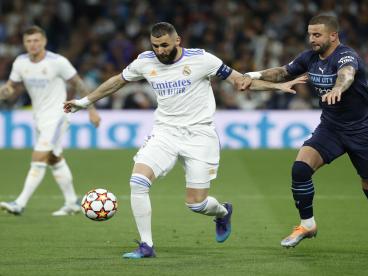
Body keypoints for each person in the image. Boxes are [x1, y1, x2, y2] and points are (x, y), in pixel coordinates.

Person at [63, 22, 305, 259]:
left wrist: (278, 86)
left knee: (196, 204)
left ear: (177, 41)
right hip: (165, 133)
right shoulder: (145, 61)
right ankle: (146, 246)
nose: (160, 51)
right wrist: (85, 102)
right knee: (138, 181)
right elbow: (118, 80)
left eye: (164, 45)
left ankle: (222, 212)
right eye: (155, 46)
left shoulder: (202, 59)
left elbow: (240, 81)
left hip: (200, 136)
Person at [238, 14, 368, 257]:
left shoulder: (346, 55)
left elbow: (346, 74)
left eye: (317, 35)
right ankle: (307, 224)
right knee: (300, 169)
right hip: (331, 128)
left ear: (333, 35)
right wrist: (252, 75)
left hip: (364, 131)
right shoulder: (309, 58)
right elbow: (283, 72)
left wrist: (338, 88)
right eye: (310, 34)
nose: (312, 39)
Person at [0, 26, 101, 216]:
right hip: (39, 117)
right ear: (24, 43)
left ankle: (19, 203)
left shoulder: (58, 62)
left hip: (57, 116)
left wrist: (91, 110)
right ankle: (71, 203)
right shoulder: (20, 62)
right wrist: (4, 92)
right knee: (54, 159)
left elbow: (78, 83)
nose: (33, 44)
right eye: (29, 41)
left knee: (38, 158)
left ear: (44, 41)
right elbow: (11, 87)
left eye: (36, 40)